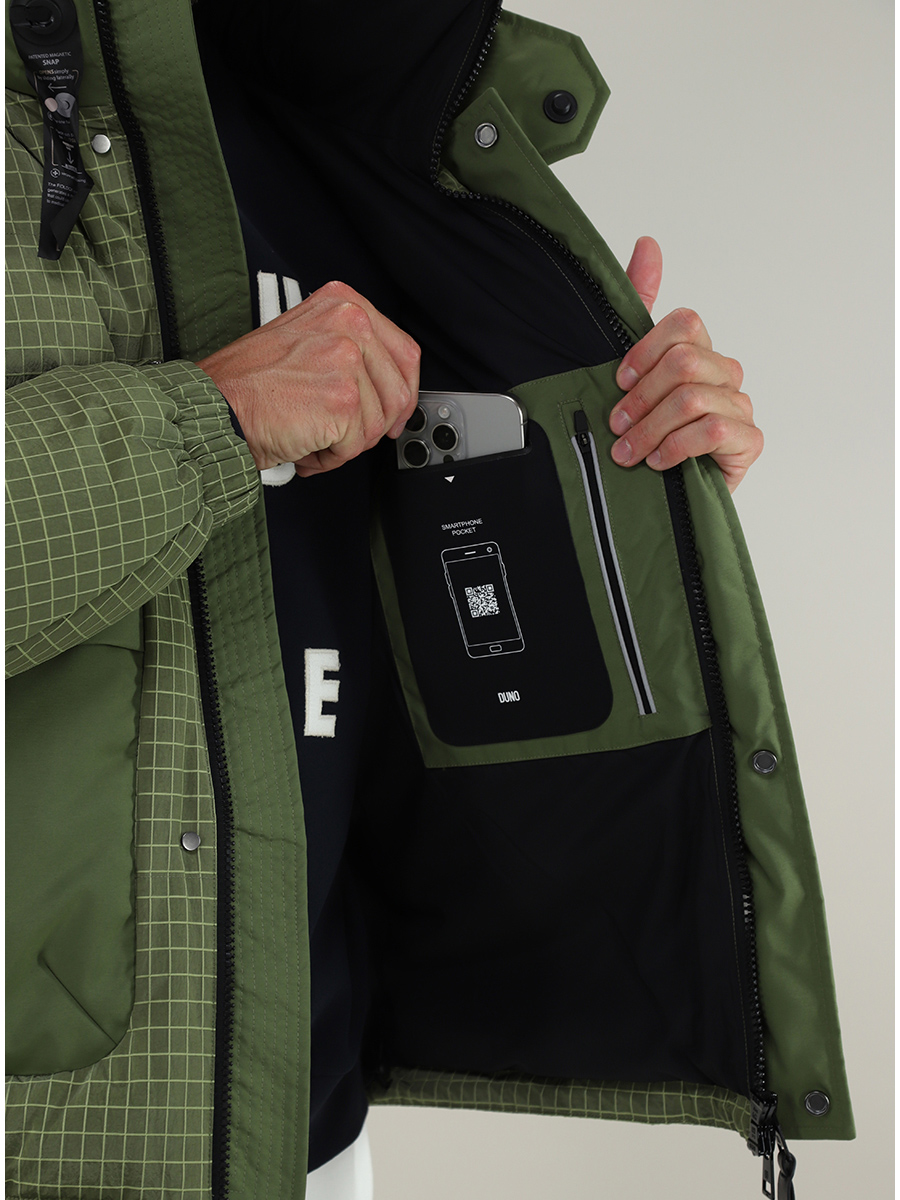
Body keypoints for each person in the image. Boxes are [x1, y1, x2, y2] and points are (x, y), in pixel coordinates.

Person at [10, 3, 852, 1200]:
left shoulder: (350, 120)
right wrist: (216, 419)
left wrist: (632, 467)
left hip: (305, 1116)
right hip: (76, 1132)